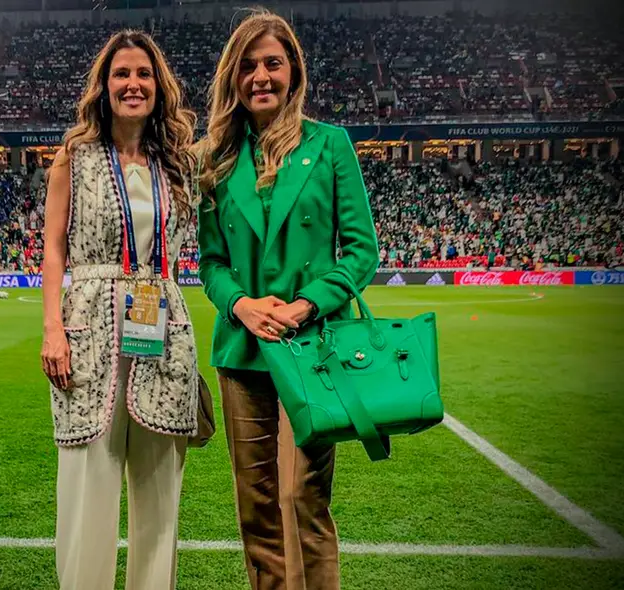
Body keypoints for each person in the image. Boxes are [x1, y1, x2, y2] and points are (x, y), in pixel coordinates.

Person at [196, 11, 378, 590]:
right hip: (244, 351)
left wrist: (305, 306)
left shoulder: (330, 145)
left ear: (293, 71)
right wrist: (242, 305)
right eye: (248, 66)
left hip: (313, 348)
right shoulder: (216, 159)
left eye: (272, 63)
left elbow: (360, 250)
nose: (260, 76)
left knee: (303, 497)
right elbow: (210, 263)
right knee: (257, 508)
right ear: (234, 77)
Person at [39, 30, 201, 590]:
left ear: (159, 86)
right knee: (88, 489)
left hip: (163, 330)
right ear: (104, 86)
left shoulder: (178, 163)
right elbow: (53, 247)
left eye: (143, 74)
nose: (133, 84)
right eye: (121, 74)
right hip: (88, 332)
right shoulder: (74, 156)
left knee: (161, 503)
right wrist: (52, 328)